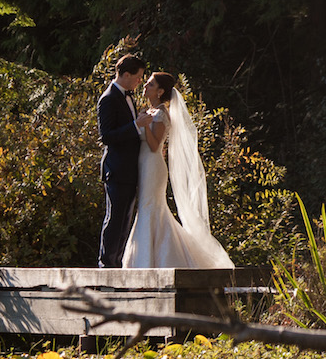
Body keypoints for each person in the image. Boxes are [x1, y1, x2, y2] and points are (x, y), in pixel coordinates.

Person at [121, 71, 233, 268]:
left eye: (150, 84)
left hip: (152, 166)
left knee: (150, 207)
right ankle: (149, 258)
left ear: (160, 91)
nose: (145, 87)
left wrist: (145, 126)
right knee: (149, 208)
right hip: (143, 163)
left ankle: (148, 262)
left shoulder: (162, 113)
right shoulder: (149, 112)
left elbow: (155, 146)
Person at [98, 54, 146, 268]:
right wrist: (136, 125)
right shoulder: (109, 98)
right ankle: (106, 264)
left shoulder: (128, 96)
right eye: (138, 77)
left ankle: (115, 262)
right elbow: (106, 135)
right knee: (115, 217)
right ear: (126, 75)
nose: (139, 82)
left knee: (125, 219)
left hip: (129, 168)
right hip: (116, 169)